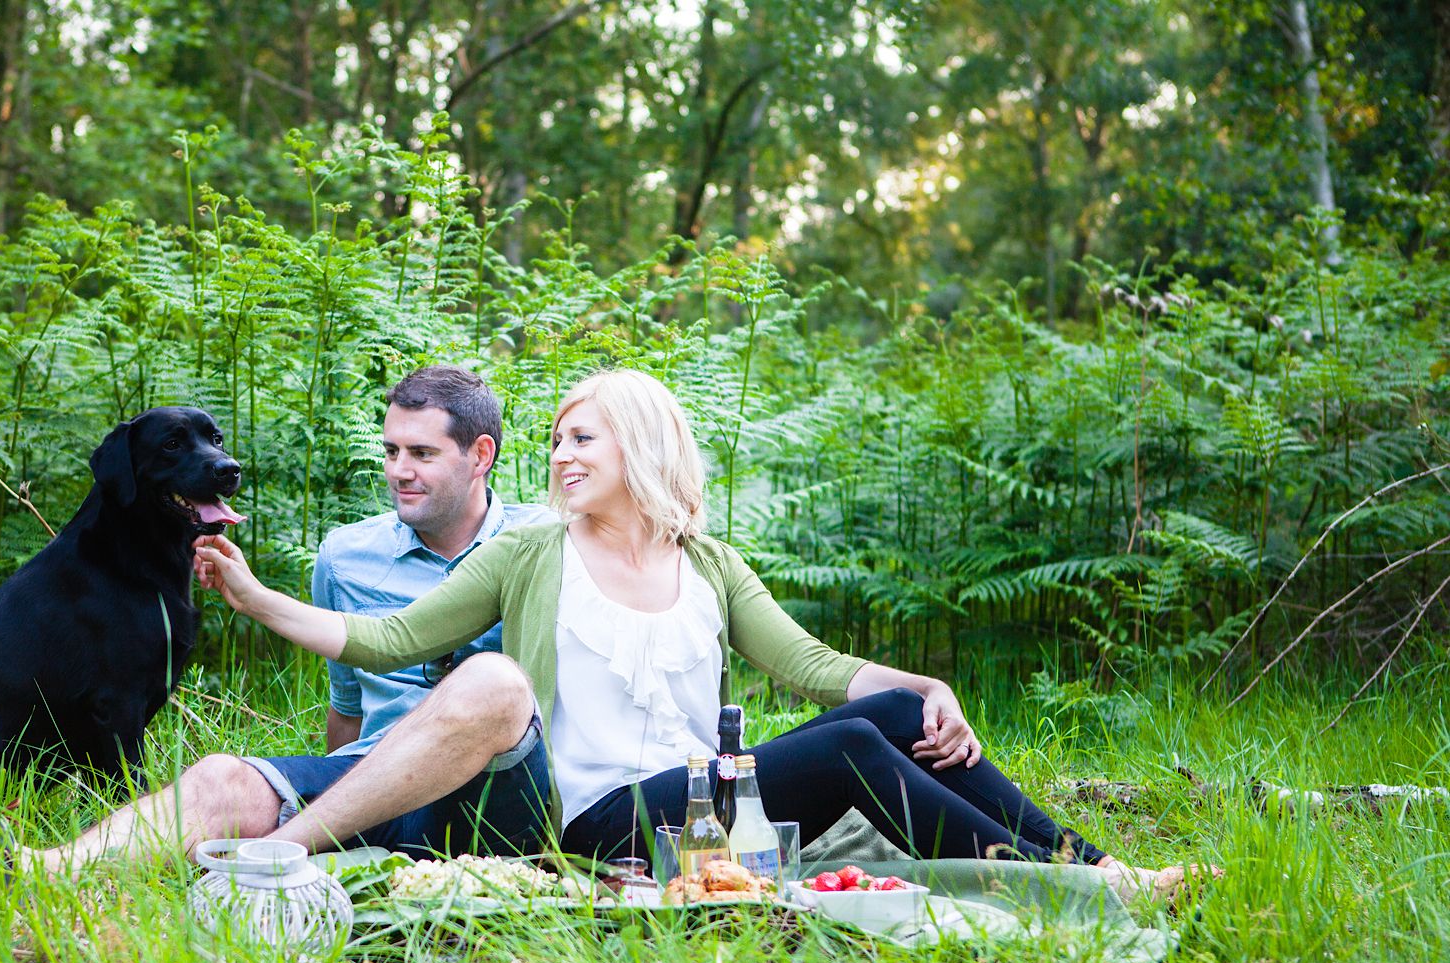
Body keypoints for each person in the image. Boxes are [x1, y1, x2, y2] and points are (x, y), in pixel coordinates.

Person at [195, 368, 1211, 902]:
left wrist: (924, 684)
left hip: (702, 813)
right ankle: (1076, 885)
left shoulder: (710, 563)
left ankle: (1094, 864)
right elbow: (386, 640)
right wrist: (254, 598)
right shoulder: (531, 553)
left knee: (892, 712)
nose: (560, 456)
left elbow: (808, 666)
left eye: (579, 437)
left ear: (638, 445)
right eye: (553, 441)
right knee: (856, 745)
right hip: (597, 822)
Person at [0, 366, 555, 881]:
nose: (398, 472)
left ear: (482, 454)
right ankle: (27, 870)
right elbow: (346, 712)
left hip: (497, 793)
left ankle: (269, 861)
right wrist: (315, 799)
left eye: (422, 454)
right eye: (390, 451)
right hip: (370, 788)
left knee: (487, 681)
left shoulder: (542, 543)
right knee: (219, 777)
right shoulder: (348, 556)